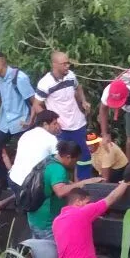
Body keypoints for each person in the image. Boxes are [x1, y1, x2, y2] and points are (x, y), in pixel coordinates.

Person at [0, 51, 42, 187]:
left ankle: (30, 181)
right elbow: (1, 95)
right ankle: (3, 180)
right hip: (4, 121)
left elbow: (33, 100)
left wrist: (31, 120)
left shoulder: (19, 78)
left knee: (27, 151)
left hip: (21, 121)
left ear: (0, 63)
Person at [27, 140, 101, 242]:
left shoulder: (49, 160)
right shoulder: (58, 169)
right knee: (54, 254)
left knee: (39, 253)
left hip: (34, 218)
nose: (75, 165)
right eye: (75, 161)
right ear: (68, 157)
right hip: (47, 223)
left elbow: (54, 183)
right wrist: (84, 182)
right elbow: (60, 191)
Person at [36, 51, 94, 180]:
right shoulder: (45, 83)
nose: (67, 66)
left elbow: (78, 88)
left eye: (68, 63)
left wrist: (83, 101)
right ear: (54, 64)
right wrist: (50, 123)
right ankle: (63, 184)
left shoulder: (71, 76)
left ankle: (85, 184)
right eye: (64, 64)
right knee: (62, 158)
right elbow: (37, 105)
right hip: (60, 128)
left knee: (84, 156)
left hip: (78, 123)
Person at [7, 109, 62, 189]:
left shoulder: (26, 134)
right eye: (54, 123)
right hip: (32, 184)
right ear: (45, 124)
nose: (57, 126)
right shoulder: (51, 139)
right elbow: (60, 161)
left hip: (14, 179)